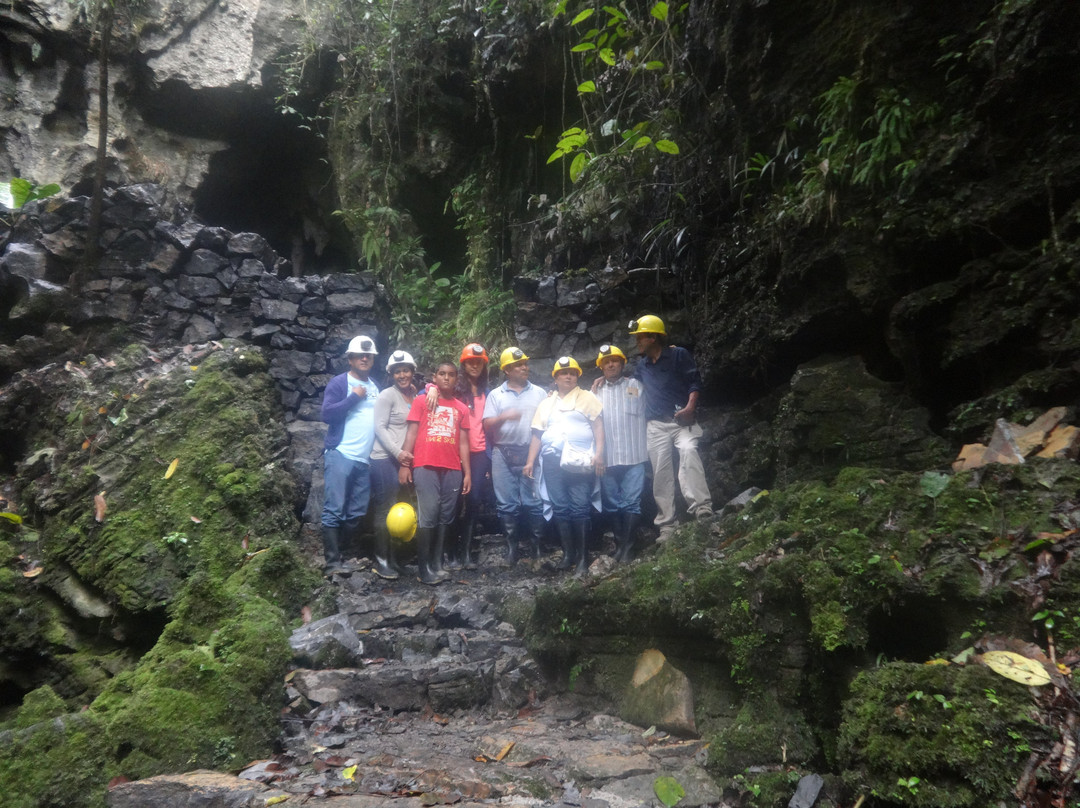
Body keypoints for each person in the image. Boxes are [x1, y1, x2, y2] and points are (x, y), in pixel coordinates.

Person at [628, 315, 713, 535]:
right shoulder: (641, 366)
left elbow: (695, 382)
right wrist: (602, 380)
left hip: (680, 421)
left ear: (653, 337)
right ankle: (667, 524)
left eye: (640, 337)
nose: (637, 341)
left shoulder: (678, 355)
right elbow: (629, 390)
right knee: (660, 472)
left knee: (689, 451)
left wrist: (690, 407)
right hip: (655, 426)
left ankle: (702, 507)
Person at [523, 356, 604, 576]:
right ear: (555, 378)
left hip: (579, 459)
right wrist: (530, 461)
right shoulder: (547, 403)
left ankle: (583, 558)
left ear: (577, 376)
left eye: (572, 373)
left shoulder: (587, 397)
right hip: (551, 460)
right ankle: (568, 554)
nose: (568, 376)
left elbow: (598, 426)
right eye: (563, 373)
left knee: (579, 506)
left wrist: (599, 454)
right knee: (560, 506)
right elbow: (537, 434)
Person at [400, 361, 472, 585]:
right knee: (428, 514)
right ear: (435, 377)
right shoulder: (423, 400)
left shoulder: (461, 408)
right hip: (425, 464)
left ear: (456, 379)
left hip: (452, 468)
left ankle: (437, 563)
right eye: (442, 374)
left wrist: (467, 472)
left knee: (446, 516)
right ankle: (424, 569)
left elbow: (463, 443)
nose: (447, 378)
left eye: (451, 374)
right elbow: (412, 433)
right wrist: (405, 463)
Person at [483, 347, 549, 565]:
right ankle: (512, 548)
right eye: (519, 365)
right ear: (507, 370)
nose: (525, 368)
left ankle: (537, 548)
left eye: (525, 364)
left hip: (530, 451)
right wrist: (504, 417)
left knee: (533, 502)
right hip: (502, 451)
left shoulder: (540, 393)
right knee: (506, 504)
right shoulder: (496, 395)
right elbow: (486, 424)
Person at [319, 335, 380, 575]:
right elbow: (327, 414)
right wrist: (354, 397)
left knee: (357, 511)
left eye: (369, 355)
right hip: (341, 453)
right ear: (351, 358)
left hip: (364, 460)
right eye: (360, 355)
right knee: (334, 508)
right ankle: (333, 563)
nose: (364, 358)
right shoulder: (339, 383)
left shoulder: (376, 387)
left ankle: (343, 554)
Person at [594, 344, 648, 561]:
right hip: (606, 459)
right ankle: (620, 544)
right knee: (611, 504)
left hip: (635, 455)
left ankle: (629, 548)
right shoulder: (594, 392)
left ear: (623, 363)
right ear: (601, 367)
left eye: (615, 360)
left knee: (632, 502)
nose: (611, 364)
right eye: (606, 362)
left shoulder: (637, 386)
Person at [369, 349, 418, 579]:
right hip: (384, 459)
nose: (402, 375)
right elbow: (379, 427)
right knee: (385, 507)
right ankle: (381, 560)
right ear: (391, 374)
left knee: (399, 509)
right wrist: (399, 453)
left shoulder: (416, 395)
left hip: (403, 461)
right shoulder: (387, 395)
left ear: (412, 372)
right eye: (397, 371)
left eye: (405, 370)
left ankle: (395, 558)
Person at [451, 343, 492, 569]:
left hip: (479, 452)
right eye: (471, 362)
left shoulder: (489, 391)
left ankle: (466, 552)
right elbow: (428, 390)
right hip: (454, 451)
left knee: (474, 500)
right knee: (454, 501)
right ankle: (451, 552)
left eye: (479, 362)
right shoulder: (454, 389)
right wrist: (431, 389)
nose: (475, 365)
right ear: (464, 364)